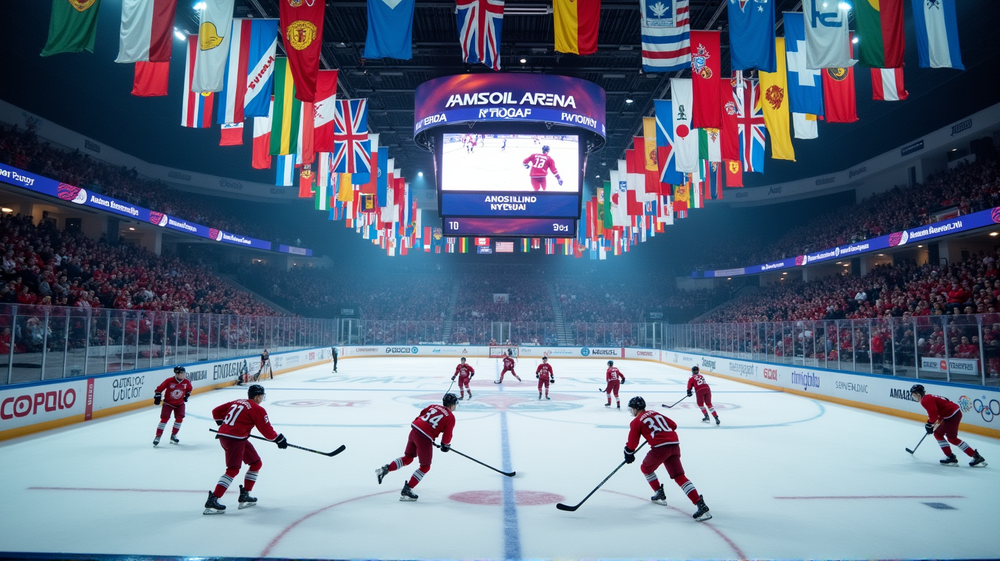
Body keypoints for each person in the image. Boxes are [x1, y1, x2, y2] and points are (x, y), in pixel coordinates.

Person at [624, 396, 712, 522]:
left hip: (660, 449)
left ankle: (659, 493)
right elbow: (673, 425)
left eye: (631, 409)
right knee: (679, 476)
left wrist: (628, 452)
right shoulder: (655, 413)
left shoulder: (636, 421)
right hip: (674, 445)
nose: (631, 412)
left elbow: (632, 443)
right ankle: (700, 503)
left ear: (636, 409)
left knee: (646, 468)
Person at [205, 384, 288, 514]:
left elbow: (216, 411)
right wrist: (279, 439)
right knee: (233, 469)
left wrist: (225, 426)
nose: (262, 398)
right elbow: (266, 431)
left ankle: (245, 494)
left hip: (234, 437)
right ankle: (213, 499)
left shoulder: (238, 401)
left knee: (256, 463)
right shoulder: (257, 409)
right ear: (257, 396)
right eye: (261, 396)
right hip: (234, 439)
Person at [375, 393, 458, 502]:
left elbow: (421, 415)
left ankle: (385, 469)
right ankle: (407, 490)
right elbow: (447, 435)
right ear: (452, 404)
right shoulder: (451, 417)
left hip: (414, 431)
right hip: (424, 438)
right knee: (425, 466)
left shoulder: (433, 406)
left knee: (408, 458)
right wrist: (445, 445)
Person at [910, 384, 987, 467]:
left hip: (952, 415)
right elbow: (943, 404)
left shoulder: (925, 400)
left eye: (914, 395)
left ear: (918, 394)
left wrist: (929, 424)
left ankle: (975, 456)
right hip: (950, 414)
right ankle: (950, 456)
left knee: (952, 438)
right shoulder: (929, 397)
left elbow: (933, 414)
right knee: (938, 434)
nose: (915, 398)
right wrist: (932, 424)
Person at [152, 366, 193, 446]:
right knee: (164, 419)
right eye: (181, 373)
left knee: (179, 419)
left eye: (183, 373)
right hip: (168, 404)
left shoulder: (186, 382)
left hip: (180, 404)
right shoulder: (169, 381)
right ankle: (158, 436)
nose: (183, 375)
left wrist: (187, 394)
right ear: (176, 374)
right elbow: (159, 389)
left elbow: (189, 389)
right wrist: (157, 395)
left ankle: (173, 435)